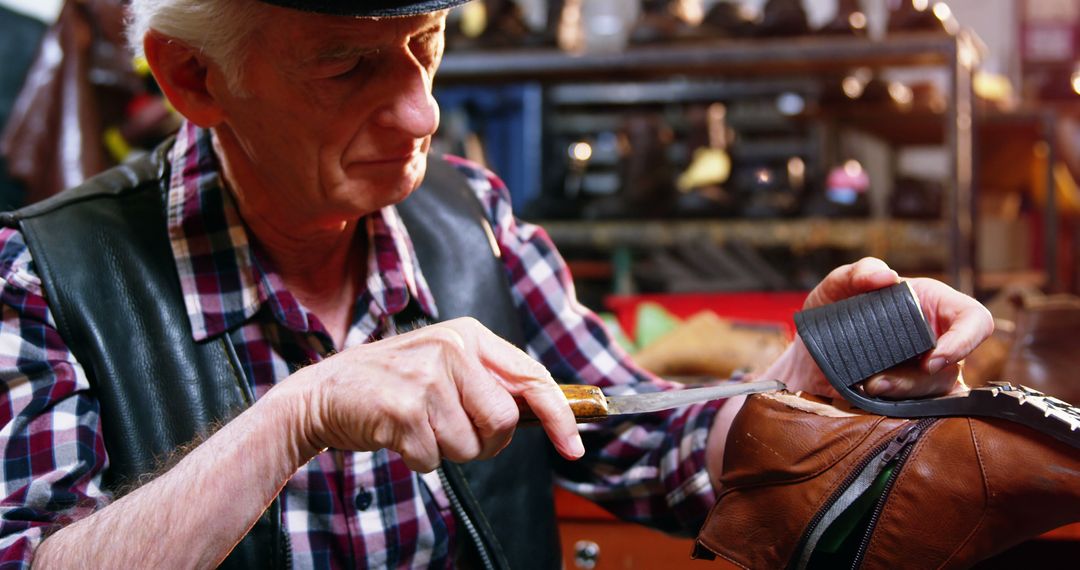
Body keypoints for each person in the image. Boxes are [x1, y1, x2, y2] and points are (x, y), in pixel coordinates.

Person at [0, 1, 992, 568]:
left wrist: (806, 383)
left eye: (425, 44)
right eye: (347, 67)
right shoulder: (49, 277)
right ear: (194, 81)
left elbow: (646, 438)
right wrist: (296, 416)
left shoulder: (470, 218)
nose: (423, 112)